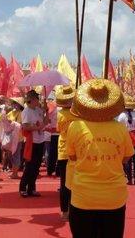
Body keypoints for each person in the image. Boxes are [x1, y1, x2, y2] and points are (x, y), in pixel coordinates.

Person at [67, 79, 134, 238]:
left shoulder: (75, 127)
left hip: (83, 196)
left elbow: (72, 156)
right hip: (114, 197)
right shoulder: (120, 128)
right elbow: (126, 157)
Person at [19, 90, 50, 197]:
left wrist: (47, 111)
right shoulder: (26, 111)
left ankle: (31, 188)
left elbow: (46, 121)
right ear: (32, 100)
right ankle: (23, 187)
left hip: (40, 140)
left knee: (36, 166)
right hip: (31, 141)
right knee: (29, 166)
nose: (38, 100)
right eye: (37, 98)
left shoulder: (38, 110)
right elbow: (25, 126)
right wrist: (37, 127)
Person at [56, 85, 77, 221]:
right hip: (75, 151)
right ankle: (74, 209)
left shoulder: (59, 114)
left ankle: (64, 212)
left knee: (64, 183)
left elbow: (58, 129)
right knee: (74, 182)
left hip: (63, 150)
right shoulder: (77, 114)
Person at [118, 98, 135, 185]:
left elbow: (119, 129)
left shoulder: (121, 116)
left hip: (126, 139)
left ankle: (129, 179)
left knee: (127, 160)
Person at [0, 97, 24, 179]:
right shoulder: (12, 112)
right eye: (13, 103)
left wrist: (11, 122)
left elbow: (20, 125)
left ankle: (15, 173)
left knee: (16, 155)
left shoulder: (20, 113)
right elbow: (3, 119)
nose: (14, 105)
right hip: (10, 138)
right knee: (11, 155)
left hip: (18, 138)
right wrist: (4, 112)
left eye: (16, 103)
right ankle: (14, 171)